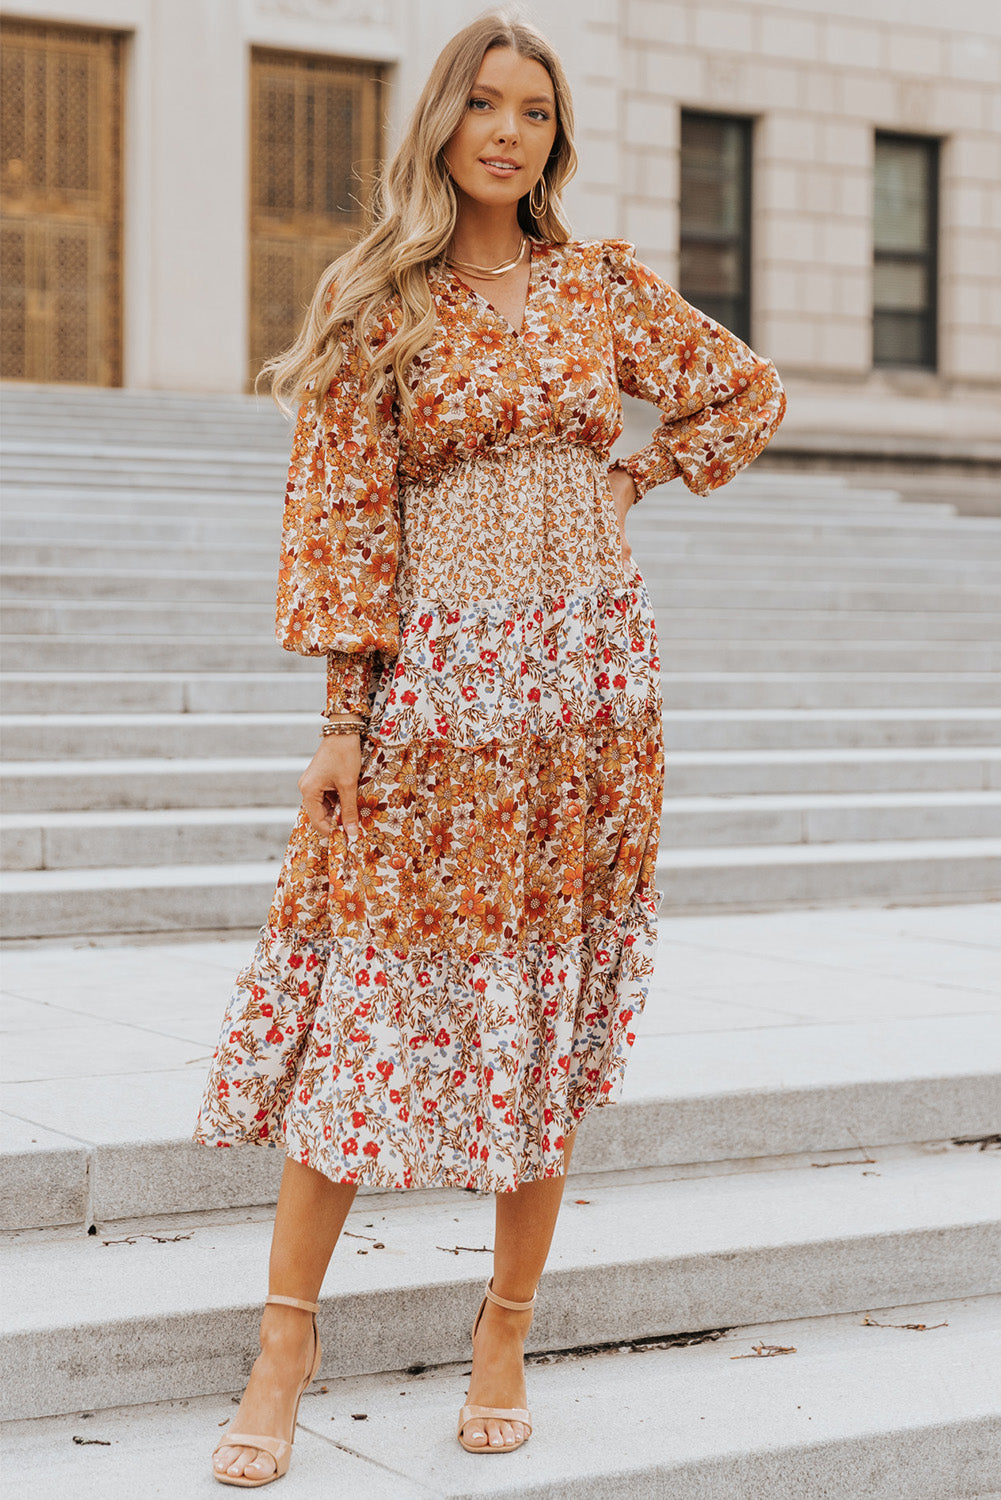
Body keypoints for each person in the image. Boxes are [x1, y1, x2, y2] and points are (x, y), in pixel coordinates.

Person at [194, 8, 785, 1487]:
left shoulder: (598, 286)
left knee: (548, 992)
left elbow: (745, 388)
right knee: (364, 991)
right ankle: (284, 1338)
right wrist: (342, 713)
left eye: (533, 109)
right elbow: (334, 511)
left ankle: (504, 1327)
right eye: (483, 104)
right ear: (441, 126)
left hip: (588, 683)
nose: (507, 130)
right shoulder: (376, 294)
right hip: (437, 684)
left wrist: (634, 473)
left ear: (552, 138)